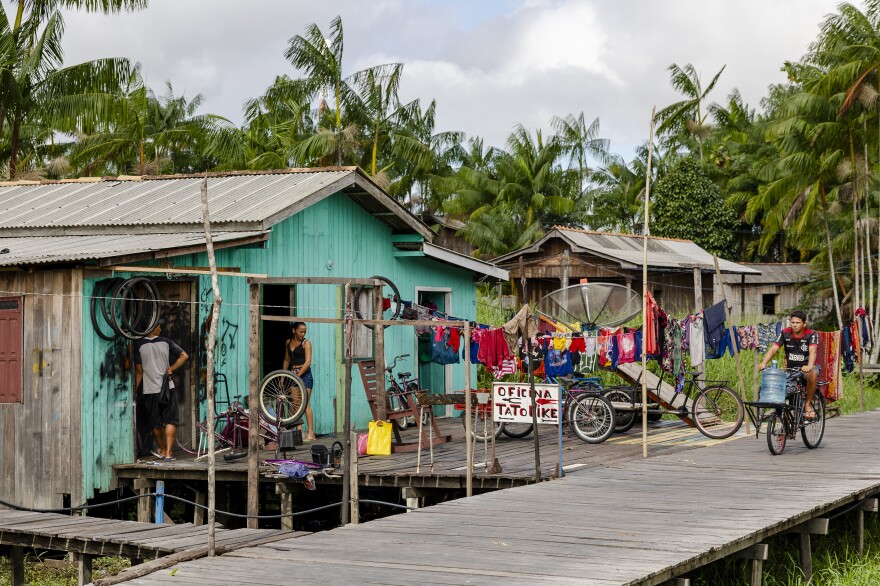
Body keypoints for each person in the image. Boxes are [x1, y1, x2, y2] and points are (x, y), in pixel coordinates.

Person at [135, 319, 189, 459]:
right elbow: (184, 356)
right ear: (153, 329)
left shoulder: (139, 345)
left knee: (155, 422)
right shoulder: (166, 342)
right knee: (171, 420)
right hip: (167, 387)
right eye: (159, 327)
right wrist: (171, 368)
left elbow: (139, 370)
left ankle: (163, 449)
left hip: (149, 389)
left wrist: (135, 390)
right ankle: (170, 453)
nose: (160, 329)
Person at [758, 310, 820, 419]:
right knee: (780, 395)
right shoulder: (785, 333)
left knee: (812, 374)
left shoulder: (811, 334)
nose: (795, 325)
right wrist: (763, 363)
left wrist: (809, 366)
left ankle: (807, 403)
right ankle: (785, 430)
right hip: (790, 370)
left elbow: (813, 351)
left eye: (798, 323)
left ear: (804, 324)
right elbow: (774, 348)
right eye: (793, 322)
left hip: (805, 368)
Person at [282, 321, 316, 441]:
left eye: (304, 332)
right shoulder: (288, 342)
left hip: (305, 375)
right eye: (300, 331)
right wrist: (282, 377)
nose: (303, 334)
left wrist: (298, 375)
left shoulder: (306, 343)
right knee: (296, 405)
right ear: (294, 331)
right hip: (292, 374)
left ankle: (311, 433)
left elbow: (308, 362)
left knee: (305, 404)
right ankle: (300, 432)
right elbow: (286, 360)